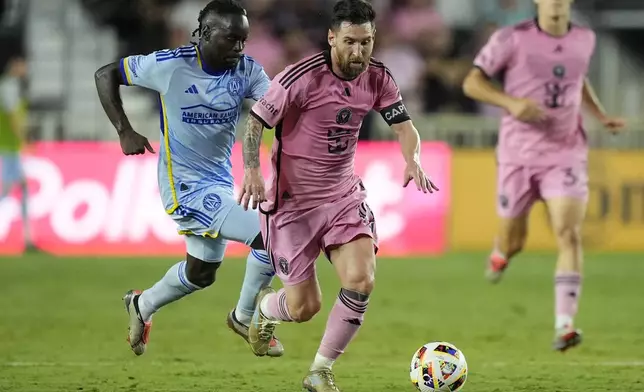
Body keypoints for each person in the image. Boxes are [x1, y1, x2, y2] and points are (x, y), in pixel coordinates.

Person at [237, 0, 438, 390]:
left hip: (343, 195)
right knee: (303, 307)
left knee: (361, 280)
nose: (359, 52)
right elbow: (256, 121)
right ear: (332, 37)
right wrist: (250, 170)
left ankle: (320, 370)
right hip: (291, 204)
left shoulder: (378, 77)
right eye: (350, 41)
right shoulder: (300, 78)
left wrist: (412, 159)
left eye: (366, 42)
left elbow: (404, 126)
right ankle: (265, 308)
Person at [94, 0, 283, 358]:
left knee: (201, 274)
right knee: (271, 234)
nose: (239, 48)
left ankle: (142, 304)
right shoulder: (169, 65)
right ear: (205, 34)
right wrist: (124, 130)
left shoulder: (247, 71)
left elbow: (276, 111)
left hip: (220, 183)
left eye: (244, 39)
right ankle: (243, 318)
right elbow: (106, 74)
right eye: (231, 39)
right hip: (184, 186)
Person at [462, 0, 625, 352]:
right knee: (514, 240)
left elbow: (576, 79)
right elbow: (472, 83)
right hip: (517, 155)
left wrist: (599, 114)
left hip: (565, 152)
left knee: (568, 232)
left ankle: (564, 324)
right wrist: (511, 103)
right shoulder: (511, 38)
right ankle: (502, 252)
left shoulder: (585, 38)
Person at [0, 55, 34, 252]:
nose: (26, 69)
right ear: (16, 64)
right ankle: (28, 239)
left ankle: (28, 239)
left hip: (9, 146)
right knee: (8, 191)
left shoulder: (10, 86)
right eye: (24, 65)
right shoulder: (10, 86)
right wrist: (23, 139)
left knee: (21, 188)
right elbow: (13, 116)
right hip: (8, 146)